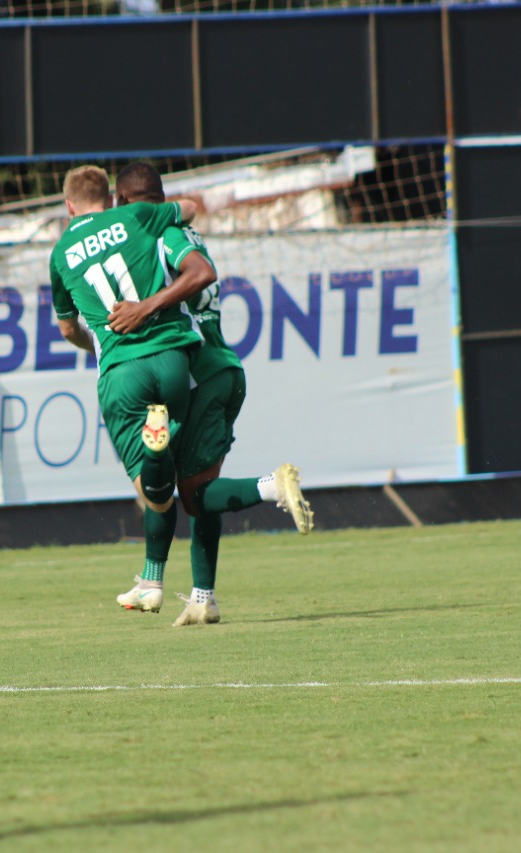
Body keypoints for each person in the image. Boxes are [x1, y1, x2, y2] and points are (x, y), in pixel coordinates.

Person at [106, 163, 313, 626]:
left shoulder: (160, 236)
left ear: (123, 203)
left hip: (201, 372)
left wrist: (143, 309)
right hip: (222, 369)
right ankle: (203, 596)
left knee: (178, 490)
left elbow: (200, 272)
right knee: (200, 488)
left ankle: (271, 486)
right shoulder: (173, 229)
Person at [48, 165, 211, 609]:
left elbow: (66, 328)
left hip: (122, 370)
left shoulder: (61, 253)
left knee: (154, 495)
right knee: (178, 478)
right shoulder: (136, 217)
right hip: (173, 359)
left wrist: (94, 345)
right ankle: (150, 581)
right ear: (111, 197)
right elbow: (193, 208)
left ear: (68, 206)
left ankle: (155, 455)